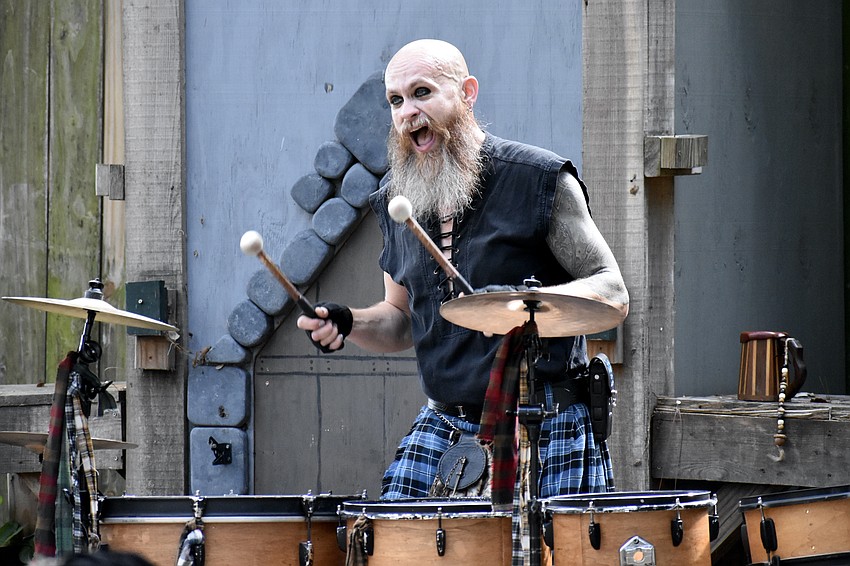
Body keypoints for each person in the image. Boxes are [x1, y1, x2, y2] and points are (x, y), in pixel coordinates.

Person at [297, 38, 628, 560]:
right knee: (389, 549)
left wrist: (524, 305)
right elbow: (400, 322)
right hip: (447, 424)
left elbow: (611, 288)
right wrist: (346, 321)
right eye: (396, 101)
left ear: (467, 93)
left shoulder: (539, 180)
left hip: (547, 421)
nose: (407, 113)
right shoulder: (397, 202)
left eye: (422, 93)